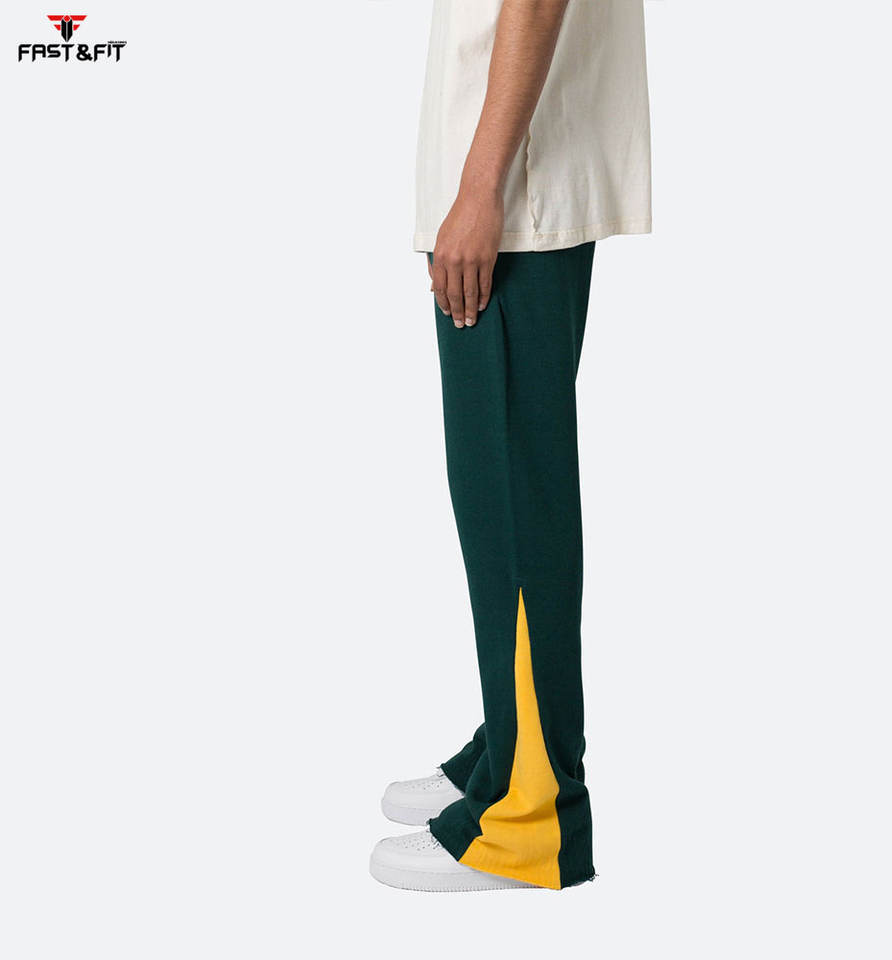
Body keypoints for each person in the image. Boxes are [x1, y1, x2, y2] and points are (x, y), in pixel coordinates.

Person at [369, 0, 651, 892]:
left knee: (513, 506)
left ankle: (531, 815)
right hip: (518, 163)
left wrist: (481, 187)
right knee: (502, 499)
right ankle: (511, 745)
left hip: (512, 184)